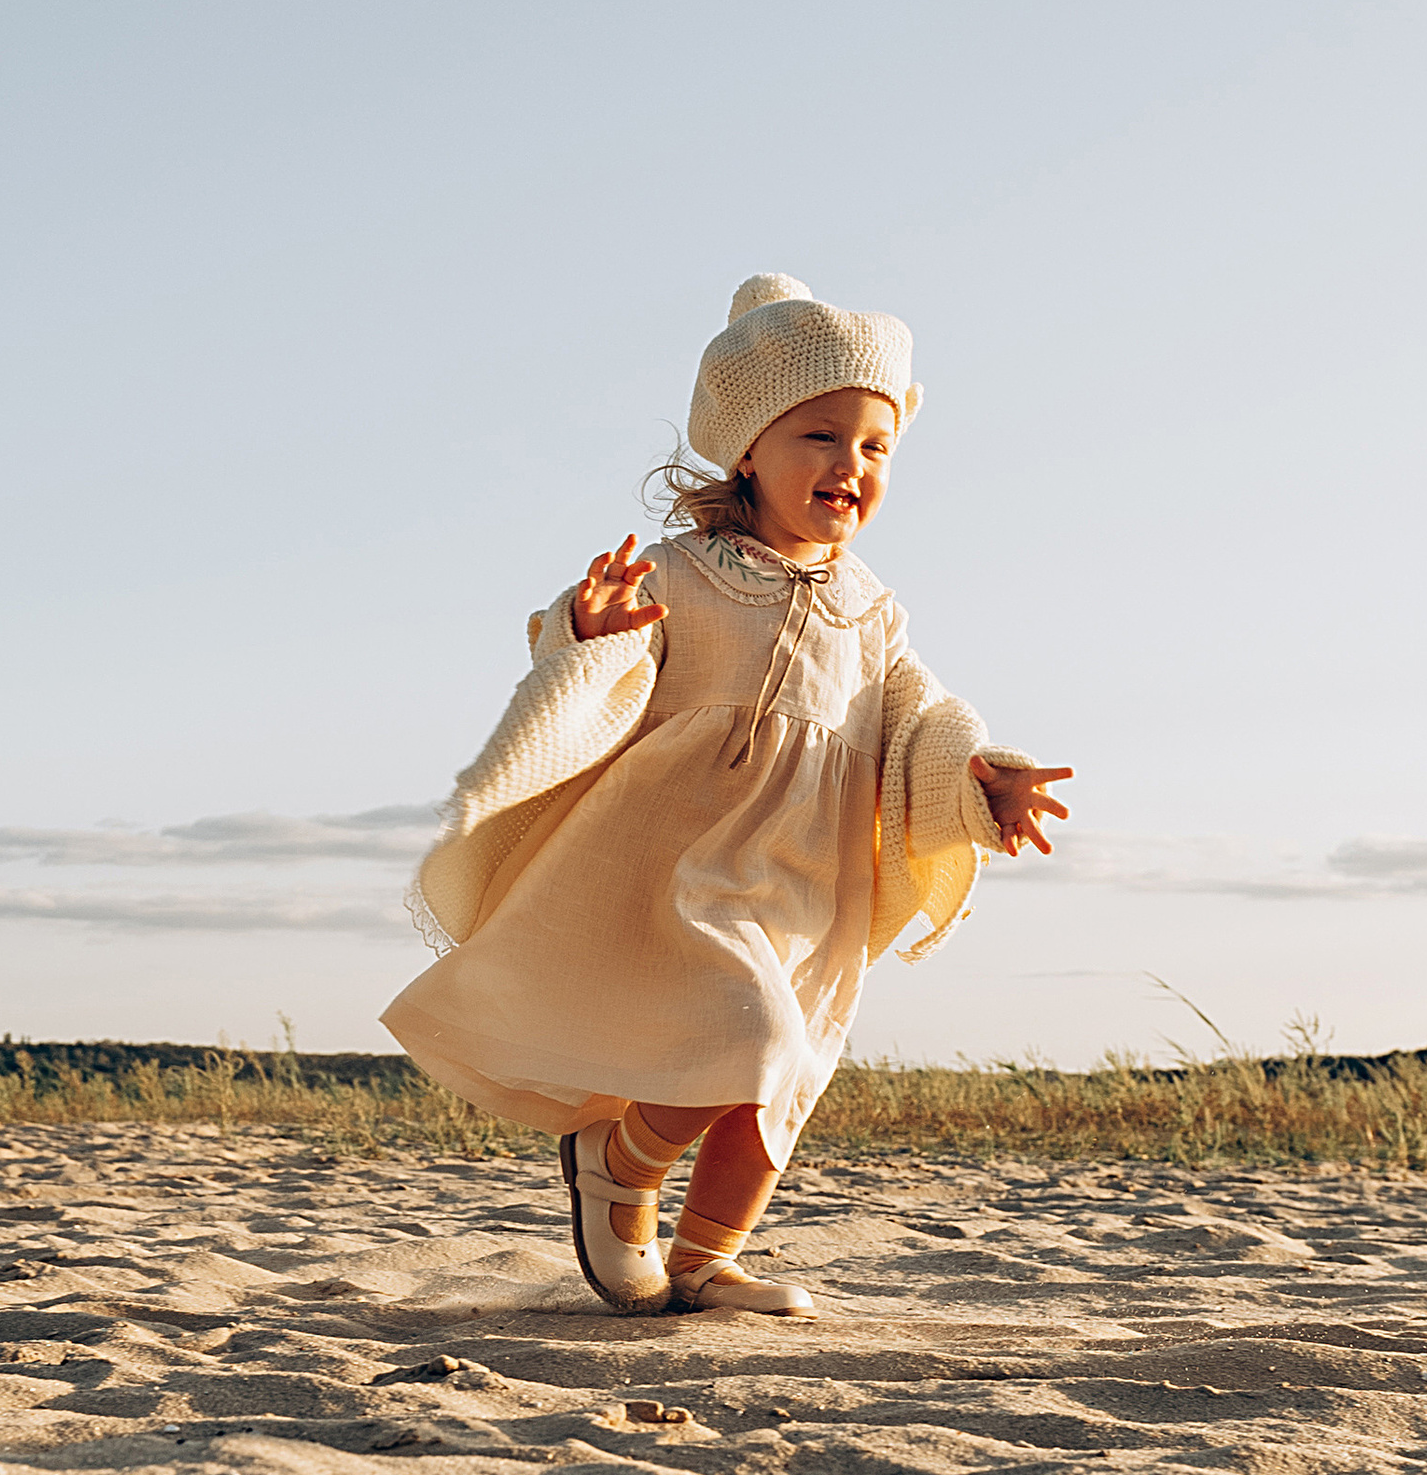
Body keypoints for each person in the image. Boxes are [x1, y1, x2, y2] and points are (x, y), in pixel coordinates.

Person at [381, 276, 1070, 1318]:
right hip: (688, 860)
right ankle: (617, 1162)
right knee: (750, 1035)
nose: (850, 465)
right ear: (748, 446)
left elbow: (923, 714)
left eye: (876, 447)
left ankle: (702, 1264)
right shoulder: (684, 571)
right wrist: (593, 626)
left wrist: (984, 777)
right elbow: (600, 662)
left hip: (811, 874)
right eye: (820, 436)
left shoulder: (871, 607)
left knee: (781, 1086)